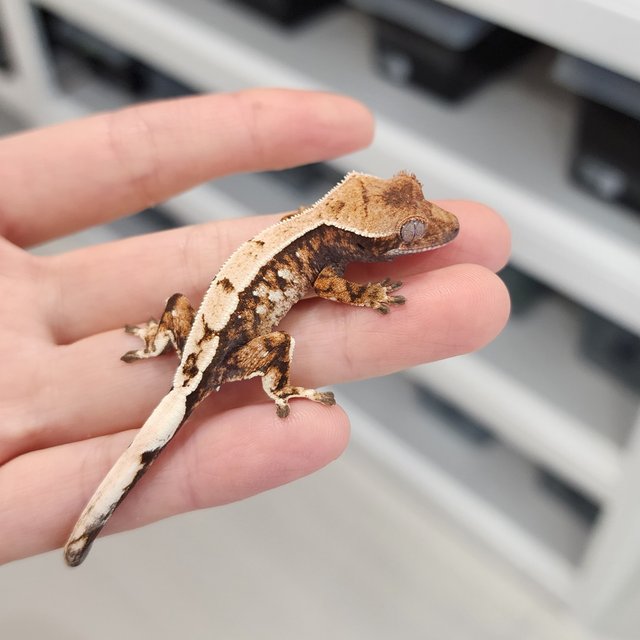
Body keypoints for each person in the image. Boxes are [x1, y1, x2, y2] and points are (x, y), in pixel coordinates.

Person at [0, 89, 510, 564]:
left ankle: (160, 339)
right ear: (361, 239)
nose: (427, 231)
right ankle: (277, 385)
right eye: (410, 232)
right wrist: (369, 295)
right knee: (278, 343)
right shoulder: (323, 256)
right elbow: (329, 287)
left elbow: (315, 281)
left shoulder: (318, 233)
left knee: (178, 306)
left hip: (198, 337)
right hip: (221, 360)